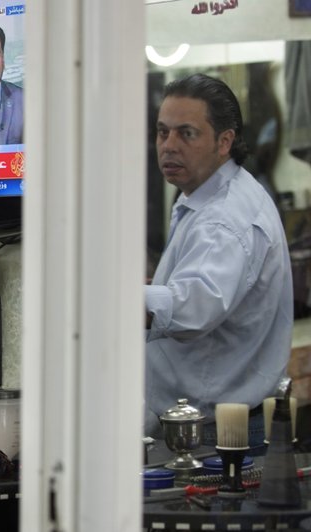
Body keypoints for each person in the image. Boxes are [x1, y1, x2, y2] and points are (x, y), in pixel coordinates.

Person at [144, 74, 293, 448]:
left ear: (224, 141)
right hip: (205, 423)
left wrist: (105, 300)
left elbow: (192, 309)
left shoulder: (223, 219)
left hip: (211, 434)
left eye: (186, 134)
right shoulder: (204, 196)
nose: (169, 146)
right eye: (163, 133)